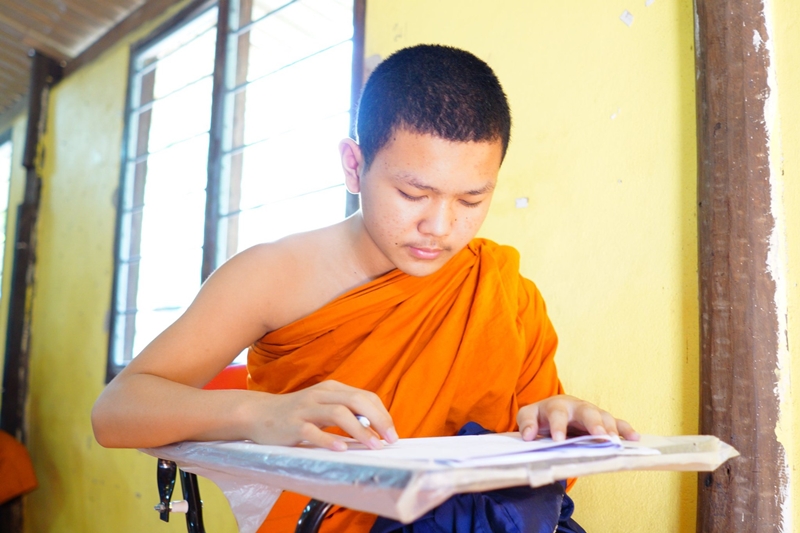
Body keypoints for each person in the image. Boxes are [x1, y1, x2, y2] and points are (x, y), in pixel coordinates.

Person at [92, 44, 638, 531]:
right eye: (413, 194)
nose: (441, 227)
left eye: (471, 200)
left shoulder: (503, 292)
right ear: (354, 167)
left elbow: (530, 471)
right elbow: (116, 411)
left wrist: (559, 426)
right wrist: (260, 414)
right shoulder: (271, 277)